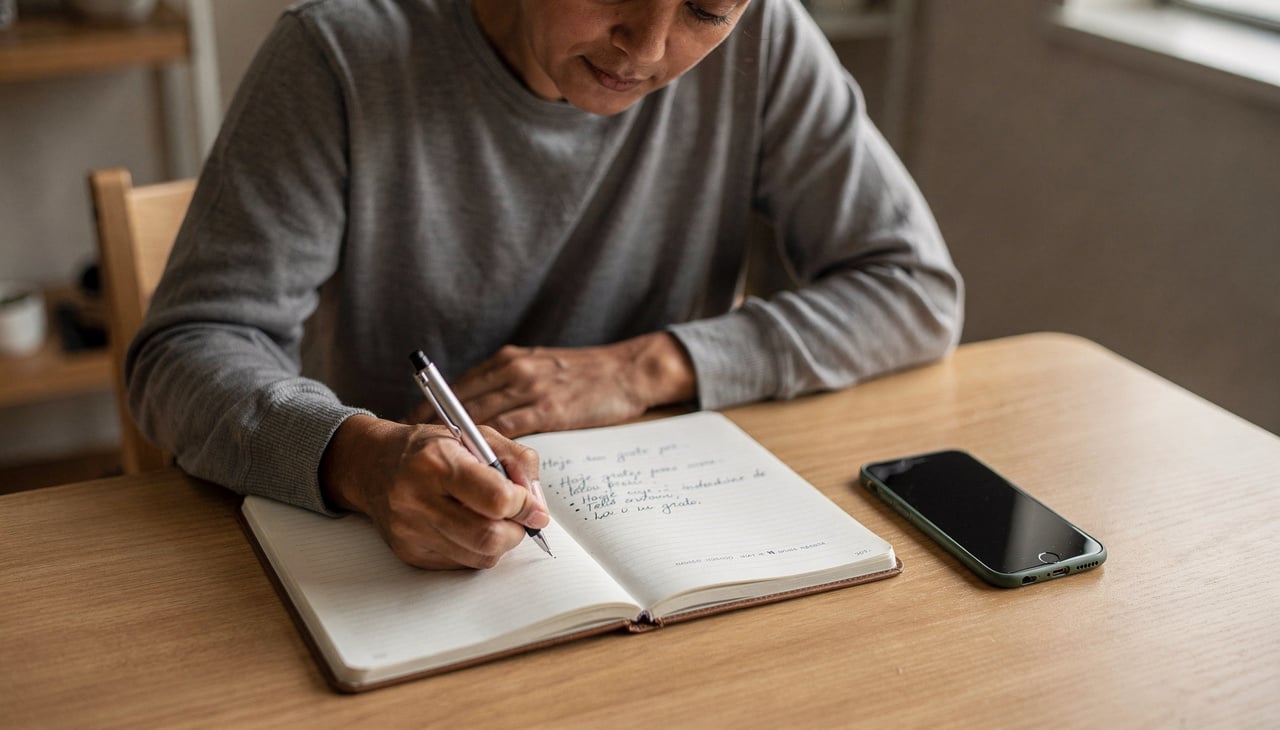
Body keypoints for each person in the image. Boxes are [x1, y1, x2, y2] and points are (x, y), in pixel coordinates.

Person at [128, 0, 963, 571]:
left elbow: (914, 289)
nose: (645, 46)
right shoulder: (342, 55)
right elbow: (186, 349)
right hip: (383, 556)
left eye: (706, 9)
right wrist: (361, 459)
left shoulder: (766, 40)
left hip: (672, 535)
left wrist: (645, 367)